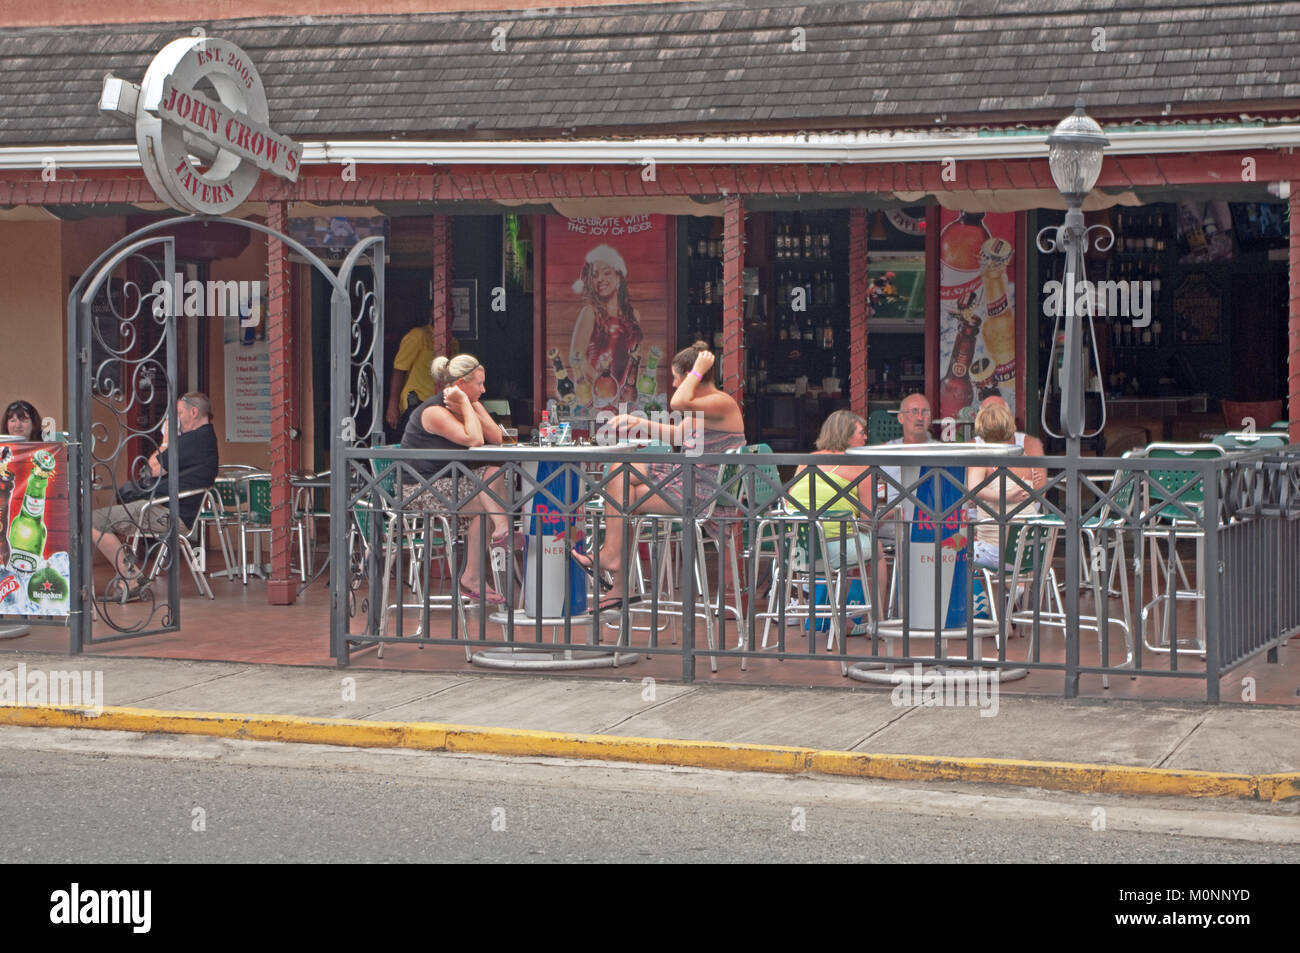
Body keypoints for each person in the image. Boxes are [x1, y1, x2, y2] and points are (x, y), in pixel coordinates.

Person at [580, 343, 745, 612]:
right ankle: (618, 580)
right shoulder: (702, 406)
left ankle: (613, 563)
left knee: (624, 484)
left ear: (695, 377)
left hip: (704, 492)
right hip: (690, 482)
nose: (674, 382)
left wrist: (699, 369)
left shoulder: (721, 402)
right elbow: (679, 435)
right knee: (623, 481)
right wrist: (638, 423)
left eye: (677, 376)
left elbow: (677, 402)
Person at [401, 353, 510, 605]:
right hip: (420, 489)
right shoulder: (433, 412)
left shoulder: (470, 405)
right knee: (493, 494)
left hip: (448, 484)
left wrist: (474, 407)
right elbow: (474, 439)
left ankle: (475, 572)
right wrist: (463, 402)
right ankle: (494, 542)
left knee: (493, 490)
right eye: (479, 384)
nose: (483, 390)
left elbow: (497, 438)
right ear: (461, 384)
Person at [92, 392, 219, 602]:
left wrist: (167, 440)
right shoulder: (204, 438)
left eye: (179, 413)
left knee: (92, 522)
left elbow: (151, 469)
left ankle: (132, 578)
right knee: (111, 517)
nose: (175, 419)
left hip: (168, 514)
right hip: (170, 510)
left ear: (194, 412)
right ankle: (128, 576)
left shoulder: (195, 439)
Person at [788, 410, 889, 600]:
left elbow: (788, 505)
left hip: (796, 552)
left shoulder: (806, 462)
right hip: (832, 551)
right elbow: (868, 521)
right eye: (861, 432)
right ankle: (876, 617)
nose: (866, 437)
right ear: (846, 435)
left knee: (848, 537)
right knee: (876, 548)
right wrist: (892, 513)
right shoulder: (861, 466)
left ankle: (839, 616)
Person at [966, 399, 1042, 569]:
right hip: (1027, 554)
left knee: (950, 551)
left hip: (995, 552)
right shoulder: (1025, 458)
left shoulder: (982, 458)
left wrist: (1006, 497)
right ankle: (1014, 587)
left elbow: (973, 489)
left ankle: (981, 596)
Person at [568, 244, 644, 410]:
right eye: (595, 275)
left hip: (622, 399)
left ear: (618, 278)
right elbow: (576, 357)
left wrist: (624, 394)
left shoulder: (633, 315)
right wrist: (603, 386)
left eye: (606, 272)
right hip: (596, 397)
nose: (600, 279)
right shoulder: (590, 312)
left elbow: (633, 360)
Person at [386, 315, 458, 437]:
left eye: (451, 312)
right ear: (432, 314)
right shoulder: (418, 336)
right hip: (416, 402)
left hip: (441, 405)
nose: (447, 316)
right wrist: (393, 405)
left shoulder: (453, 342)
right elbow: (399, 370)